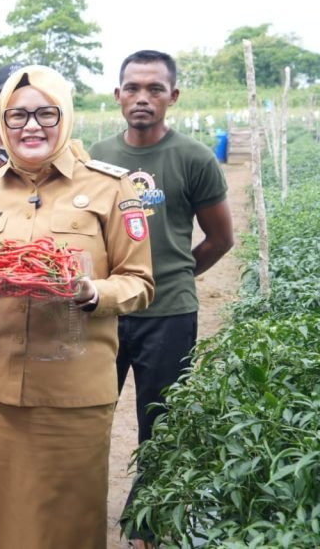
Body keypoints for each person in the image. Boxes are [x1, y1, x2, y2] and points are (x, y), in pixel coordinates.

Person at [0, 64, 155, 548]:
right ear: (1, 121)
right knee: (0, 520)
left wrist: (91, 292)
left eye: (45, 113)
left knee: (69, 521)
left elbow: (140, 282)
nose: (31, 126)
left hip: (73, 394)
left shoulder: (111, 188)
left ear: (66, 115)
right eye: (16, 116)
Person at [90, 50, 233, 548]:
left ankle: (145, 525)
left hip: (169, 313)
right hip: (106, 309)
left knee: (161, 421)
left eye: (155, 89)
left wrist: (174, 275)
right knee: (89, 411)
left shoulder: (193, 157)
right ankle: (80, 508)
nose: (142, 98)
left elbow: (220, 238)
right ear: (118, 95)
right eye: (132, 87)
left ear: (173, 96)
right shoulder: (97, 155)